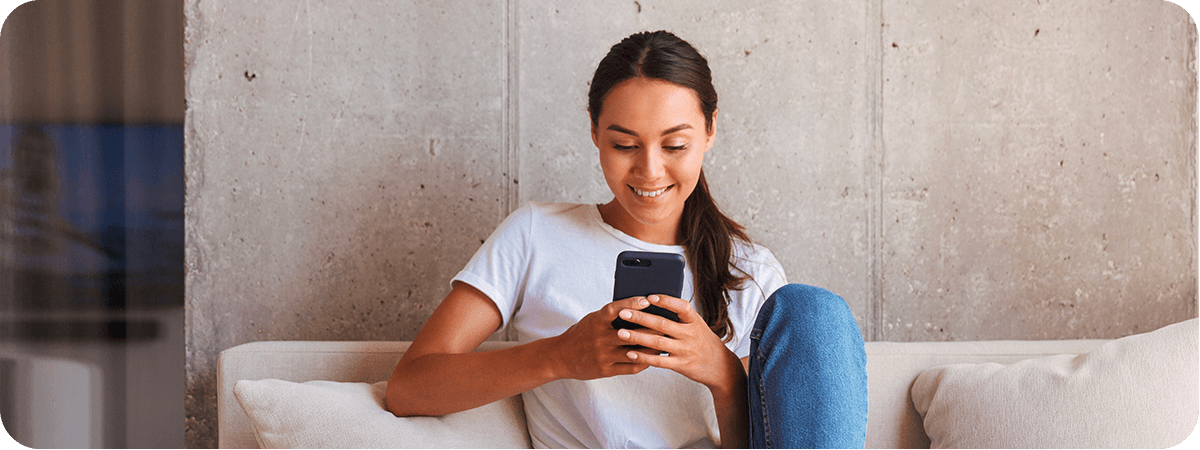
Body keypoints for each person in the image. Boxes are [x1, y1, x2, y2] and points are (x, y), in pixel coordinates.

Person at [385, 30, 868, 449]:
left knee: (813, 311)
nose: (649, 170)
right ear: (595, 131)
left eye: (675, 145)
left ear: (710, 130)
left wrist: (720, 371)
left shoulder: (749, 270)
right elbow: (408, 388)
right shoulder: (536, 235)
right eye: (624, 145)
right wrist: (560, 356)